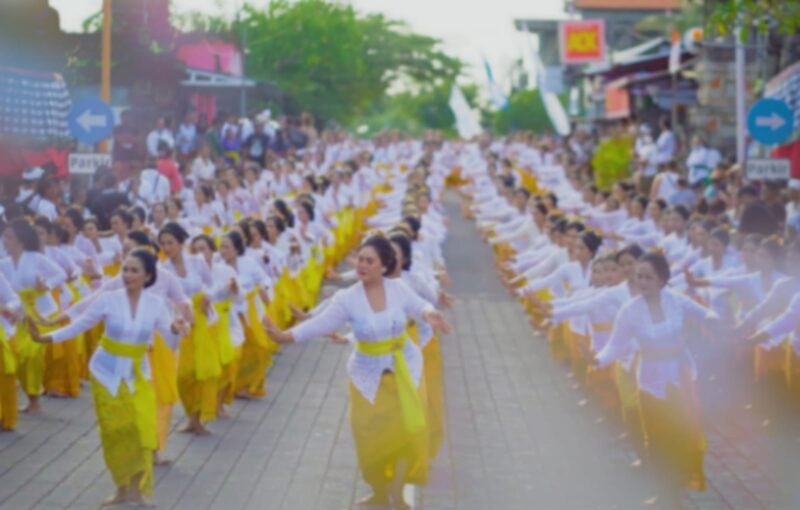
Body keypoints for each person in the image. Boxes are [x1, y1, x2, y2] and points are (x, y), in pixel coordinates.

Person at [264, 236, 450, 509]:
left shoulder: (398, 289)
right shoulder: (347, 298)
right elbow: (319, 324)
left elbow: (420, 306)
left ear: (384, 266)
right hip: (367, 379)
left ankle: (396, 496)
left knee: (405, 434)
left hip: (404, 372)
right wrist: (284, 336)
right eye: (360, 259)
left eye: (369, 261)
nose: (362, 265)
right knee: (369, 439)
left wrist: (430, 313)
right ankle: (379, 490)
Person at [28, 249, 186, 507]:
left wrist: (177, 330)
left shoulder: (156, 305)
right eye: (125, 269)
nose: (127, 275)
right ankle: (121, 489)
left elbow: (170, 339)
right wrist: (46, 337)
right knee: (115, 431)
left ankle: (137, 490)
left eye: (135, 270)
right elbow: (81, 324)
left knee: (142, 430)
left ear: (147, 276)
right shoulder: (109, 300)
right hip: (105, 372)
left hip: (137, 373)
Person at [596, 252, 716, 490]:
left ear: (662, 280)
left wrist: (714, 320)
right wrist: (597, 359)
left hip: (680, 378)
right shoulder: (629, 310)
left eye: (648, 277)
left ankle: (680, 483)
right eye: (639, 277)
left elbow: (706, 313)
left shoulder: (676, 300)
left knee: (681, 433)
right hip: (650, 381)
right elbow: (614, 345)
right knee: (655, 437)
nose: (642, 282)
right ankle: (664, 493)